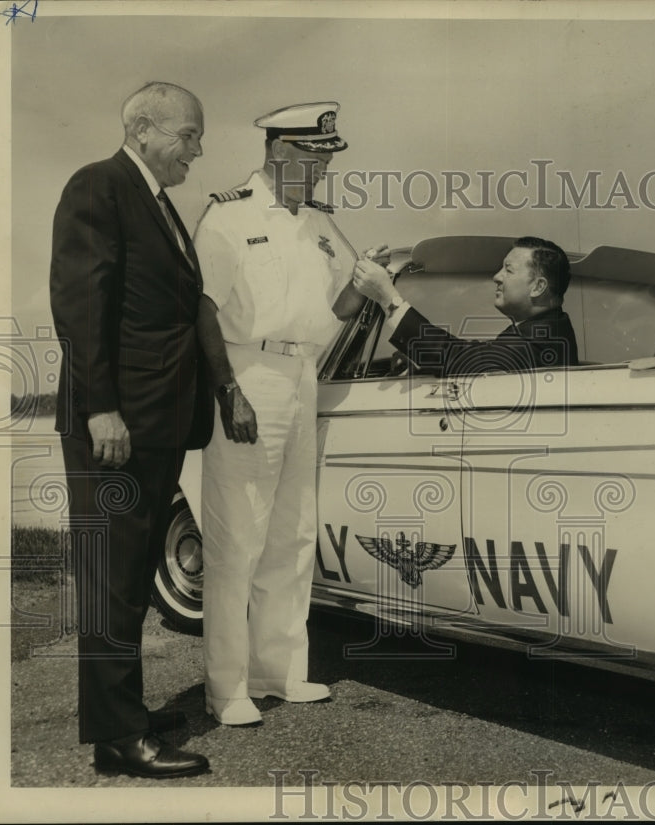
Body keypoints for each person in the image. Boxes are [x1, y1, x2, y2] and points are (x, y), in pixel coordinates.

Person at [50, 81, 212, 778]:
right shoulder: (100, 185)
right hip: (117, 423)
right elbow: (83, 303)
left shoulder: (155, 200)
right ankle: (118, 739)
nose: (197, 152)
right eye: (188, 136)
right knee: (111, 579)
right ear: (143, 128)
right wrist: (99, 407)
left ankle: (125, 715)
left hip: (156, 423)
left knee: (128, 575)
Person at [194, 101, 368, 727]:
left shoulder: (319, 224)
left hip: (305, 375)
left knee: (293, 534)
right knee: (238, 536)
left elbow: (342, 305)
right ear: (279, 152)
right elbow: (204, 308)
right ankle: (228, 687)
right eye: (312, 159)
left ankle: (280, 672)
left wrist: (378, 279)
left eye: (326, 161)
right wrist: (227, 391)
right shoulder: (229, 213)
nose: (321, 172)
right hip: (249, 371)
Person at [352, 237, 579, 375]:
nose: (497, 277)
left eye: (508, 270)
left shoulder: (542, 340)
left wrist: (387, 297)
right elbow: (481, 354)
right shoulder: (546, 332)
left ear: (538, 287)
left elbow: (460, 358)